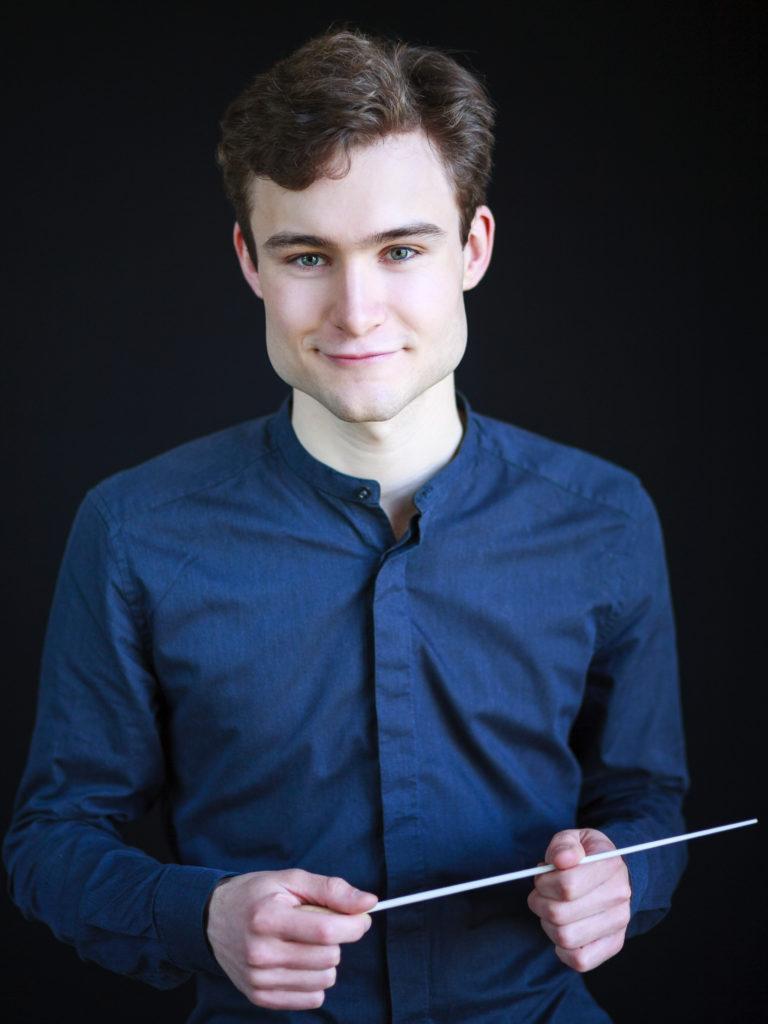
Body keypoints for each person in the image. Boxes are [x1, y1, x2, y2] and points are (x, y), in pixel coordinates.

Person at [3, 26, 689, 1024]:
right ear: (250, 261)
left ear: (475, 249)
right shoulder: (131, 530)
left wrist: (629, 876)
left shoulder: (605, 516)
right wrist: (198, 916)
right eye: (308, 254)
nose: (356, 309)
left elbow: (644, 807)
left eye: (402, 249)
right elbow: (50, 837)